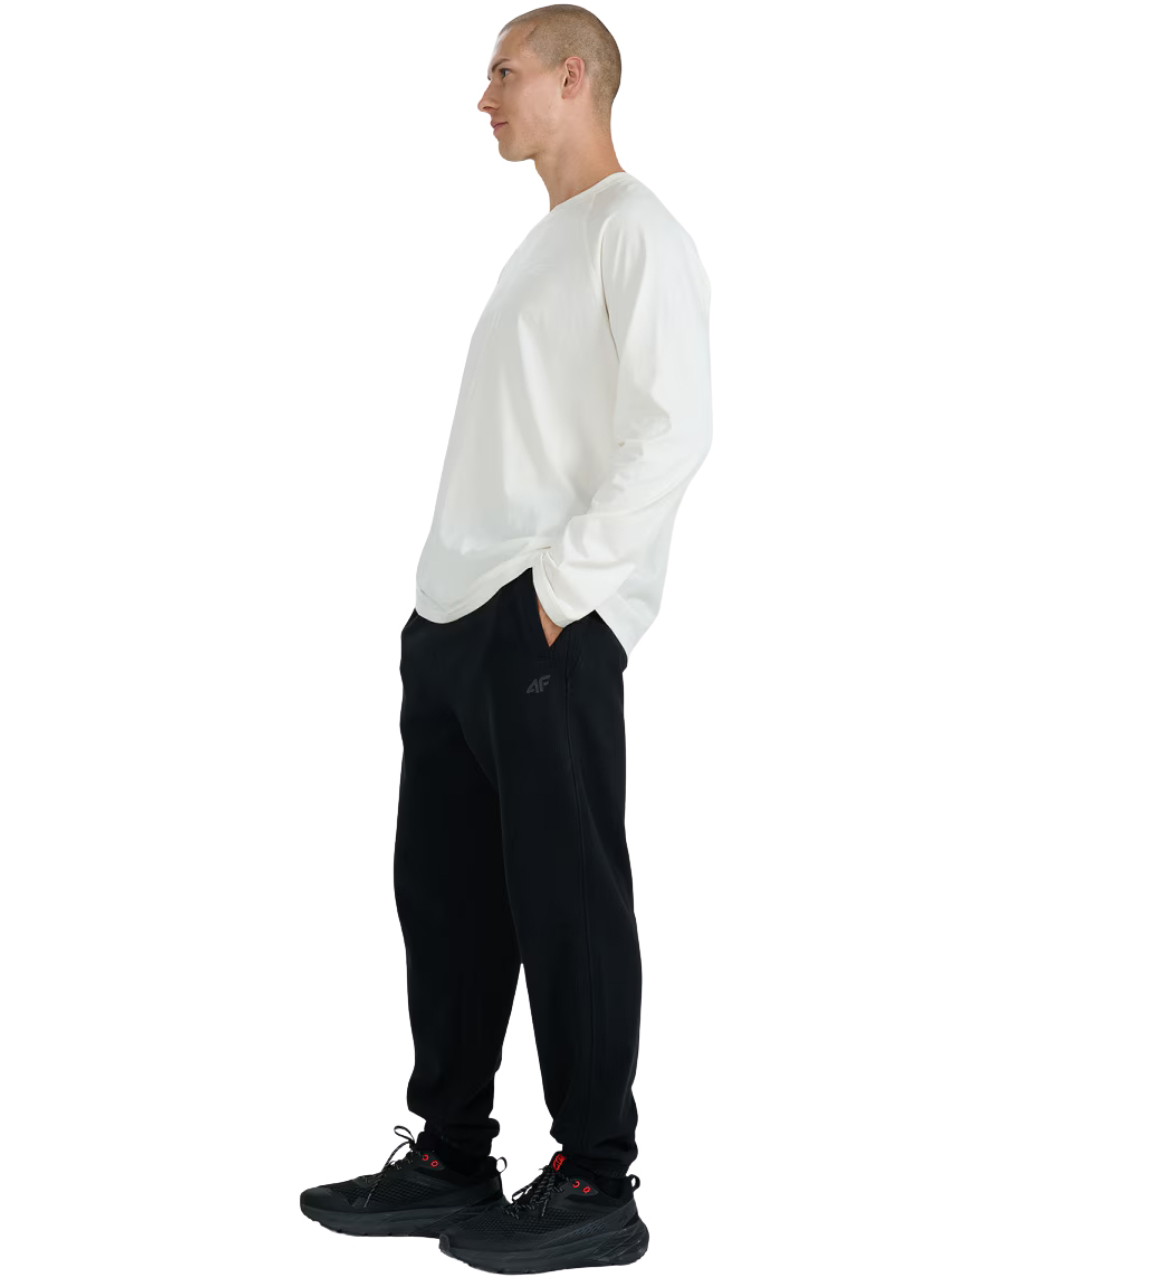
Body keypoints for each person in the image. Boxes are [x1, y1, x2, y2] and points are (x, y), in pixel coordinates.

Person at [300, 6, 712, 1271]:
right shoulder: (544, 244)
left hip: (542, 624)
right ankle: (449, 1152)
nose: (483, 97)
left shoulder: (634, 229)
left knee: (565, 896)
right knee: (446, 899)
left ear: (573, 77)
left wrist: (561, 591)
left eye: (503, 71)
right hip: (456, 618)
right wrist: (445, 609)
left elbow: (674, 426)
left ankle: (593, 1175)